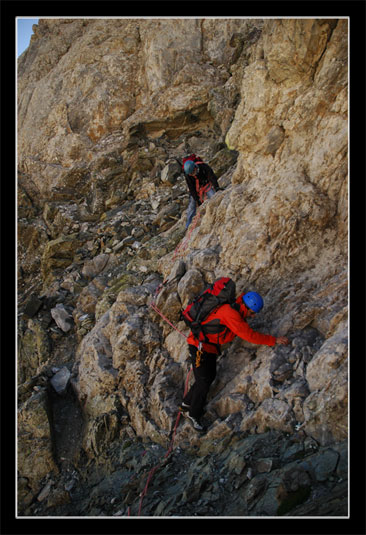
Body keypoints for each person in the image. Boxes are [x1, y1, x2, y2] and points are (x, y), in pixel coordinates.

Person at [180, 290, 289, 431]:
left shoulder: (235, 308)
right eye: (252, 312)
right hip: (199, 346)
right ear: (245, 306)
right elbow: (250, 336)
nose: (253, 316)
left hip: (208, 347)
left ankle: (186, 404)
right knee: (203, 380)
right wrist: (274, 340)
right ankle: (193, 414)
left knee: (209, 376)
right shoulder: (231, 314)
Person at [183, 159, 221, 229]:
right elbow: (191, 188)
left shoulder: (203, 167)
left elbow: (211, 176)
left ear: (195, 167)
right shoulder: (188, 175)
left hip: (205, 184)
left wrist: (216, 187)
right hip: (196, 189)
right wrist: (197, 200)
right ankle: (188, 225)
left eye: (193, 172)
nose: (192, 175)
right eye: (190, 174)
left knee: (214, 197)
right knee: (191, 206)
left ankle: (218, 212)